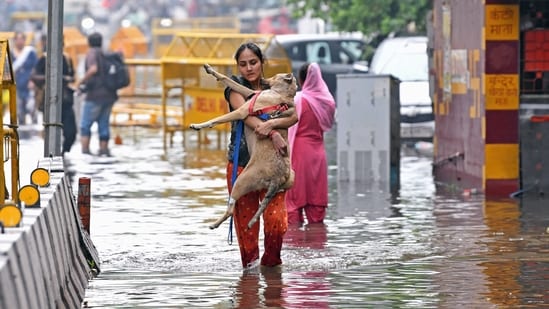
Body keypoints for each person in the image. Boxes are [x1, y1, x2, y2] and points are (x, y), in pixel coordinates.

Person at [224, 42, 297, 270]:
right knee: (246, 229)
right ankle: (250, 280)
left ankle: (271, 268)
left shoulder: (276, 89)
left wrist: (275, 124)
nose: (248, 68)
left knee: (277, 221)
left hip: (273, 165)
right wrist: (273, 133)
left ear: (262, 63)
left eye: (253, 62)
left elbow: (294, 116)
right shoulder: (234, 87)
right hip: (242, 164)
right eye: (243, 64)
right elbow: (246, 116)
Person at [285, 62, 336, 225]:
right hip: (318, 154)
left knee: (293, 203)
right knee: (316, 205)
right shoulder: (327, 102)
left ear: (301, 80)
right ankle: (318, 243)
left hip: (298, 154)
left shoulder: (298, 100)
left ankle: (296, 246)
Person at [31, 34, 77, 154]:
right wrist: (51, 78)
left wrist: (66, 79)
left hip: (66, 101)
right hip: (49, 100)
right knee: (50, 130)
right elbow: (34, 76)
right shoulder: (44, 58)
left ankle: (63, 153)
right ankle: (51, 154)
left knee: (71, 132)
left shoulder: (67, 58)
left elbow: (73, 77)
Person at [74, 32, 117, 156]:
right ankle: (104, 151)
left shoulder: (92, 53)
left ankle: (85, 152)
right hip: (109, 95)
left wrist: (81, 81)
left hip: (95, 96)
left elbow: (93, 69)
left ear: (89, 42)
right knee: (103, 124)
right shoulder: (106, 54)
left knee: (85, 125)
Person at [11, 31, 38, 124]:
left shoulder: (30, 52)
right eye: (17, 39)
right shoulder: (11, 54)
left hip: (29, 85)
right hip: (17, 86)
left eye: (21, 39)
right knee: (19, 112)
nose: (19, 41)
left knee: (32, 109)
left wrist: (33, 81)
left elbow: (36, 67)